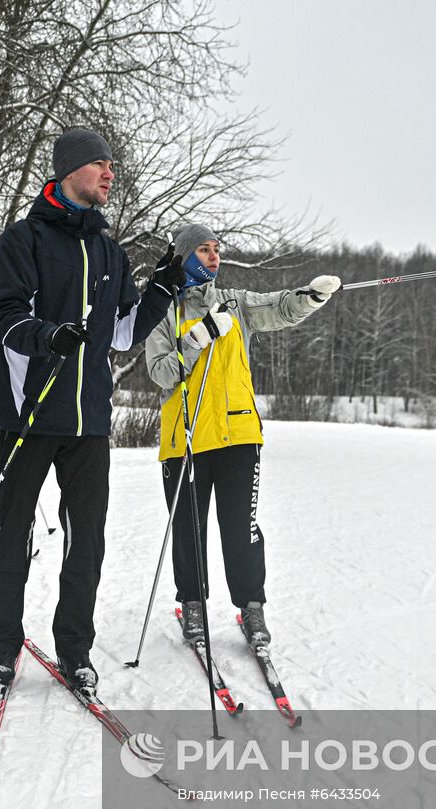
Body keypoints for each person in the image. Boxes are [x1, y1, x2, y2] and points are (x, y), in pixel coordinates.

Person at [0, 128, 182, 690]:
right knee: (13, 534)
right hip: (28, 412)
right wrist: (48, 336)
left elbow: (120, 334)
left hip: (89, 421)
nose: (110, 175)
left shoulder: (109, 250)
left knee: (86, 539)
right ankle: (0, 647)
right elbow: (6, 318)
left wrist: (162, 289)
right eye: (101, 164)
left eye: (113, 166)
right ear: (70, 170)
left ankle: (74, 649)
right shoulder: (23, 240)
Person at [143, 222, 340, 649]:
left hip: (238, 434)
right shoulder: (163, 310)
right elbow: (160, 373)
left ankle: (252, 607)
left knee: (241, 528)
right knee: (188, 529)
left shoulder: (234, 302)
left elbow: (279, 308)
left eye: (216, 249)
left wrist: (310, 298)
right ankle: (192, 604)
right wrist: (195, 339)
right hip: (186, 438)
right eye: (203, 250)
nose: (214, 257)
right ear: (182, 257)